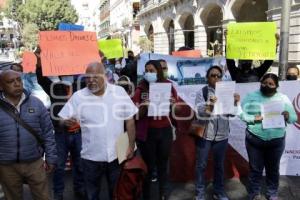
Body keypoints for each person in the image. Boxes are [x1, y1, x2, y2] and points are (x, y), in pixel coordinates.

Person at [58, 62, 138, 200]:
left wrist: (130, 145)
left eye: (95, 77)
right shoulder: (78, 97)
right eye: (87, 77)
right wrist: (65, 122)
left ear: (105, 76)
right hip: (90, 158)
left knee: (117, 193)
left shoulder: (119, 92)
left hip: (116, 156)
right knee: (92, 195)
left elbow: (129, 120)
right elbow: (61, 119)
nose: (91, 81)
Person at [0, 69, 57, 200]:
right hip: (7, 166)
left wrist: (51, 157)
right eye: (10, 81)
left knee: (43, 196)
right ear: (1, 86)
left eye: (18, 80)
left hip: (35, 163)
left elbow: (48, 132)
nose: (16, 84)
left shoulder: (36, 103)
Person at [35, 54, 85, 200]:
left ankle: (79, 189)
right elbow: (41, 78)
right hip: (60, 133)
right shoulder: (55, 87)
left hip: (79, 133)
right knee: (59, 166)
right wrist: (40, 64)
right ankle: (58, 193)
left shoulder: (81, 85)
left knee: (80, 164)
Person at [240, 73, 297, 200]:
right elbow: (241, 114)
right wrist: (253, 118)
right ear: (260, 83)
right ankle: (254, 193)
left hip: (276, 141)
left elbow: (294, 118)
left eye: (271, 84)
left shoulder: (283, 98)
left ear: (276, 85)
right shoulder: (251, 97)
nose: (267, 85)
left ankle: (272, 193)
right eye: (264, 83)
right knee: (255, 169)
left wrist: (288, 116)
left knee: (273, 169)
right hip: (255, 139)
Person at [132, 60, 179, 200]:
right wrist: (143, 107)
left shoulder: (169, 86)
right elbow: (135, 115)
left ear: (158, 71)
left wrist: (173, 104)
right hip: (147, 134)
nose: (149, 73)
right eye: (146, 70)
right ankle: (146, 196)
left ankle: (163, 195)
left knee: (163, 166)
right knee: (148, 167)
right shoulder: (140, 88)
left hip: (164, 131)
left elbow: (177, 111)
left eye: (152, 70)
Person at [194, 66, 241, 200]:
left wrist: (235, 102)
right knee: (201, 165)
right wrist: (210, 104)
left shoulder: (227, 91)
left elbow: (233, 114)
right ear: (207, 77)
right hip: (205, 135)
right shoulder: (202, 92)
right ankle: (200, 193)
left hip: (222, 136)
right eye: (212, 75)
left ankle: (218, 191)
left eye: (218, 76)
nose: (216, 78)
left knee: (219, 165)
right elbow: (201, 113)